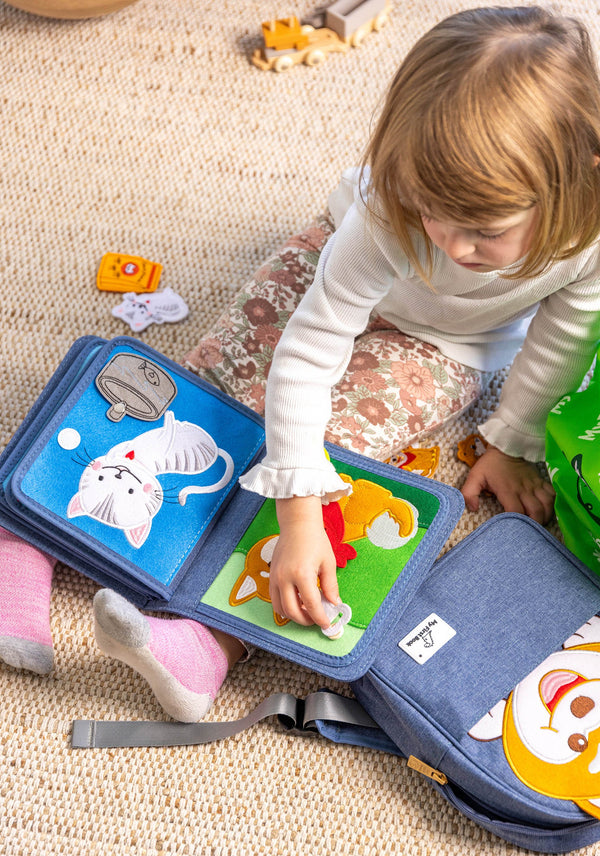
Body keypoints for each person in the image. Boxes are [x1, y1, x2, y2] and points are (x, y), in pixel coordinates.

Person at [2, 6, 600, 721]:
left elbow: (564, 336)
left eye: (481, 231)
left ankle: (206, 644)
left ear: (577, 181)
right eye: (431, 209)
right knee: (208, 386)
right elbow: (311, 347)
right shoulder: (391, 210)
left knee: (343, 454)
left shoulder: (586, 234)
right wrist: (294, 508)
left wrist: (512, 441)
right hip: (337, 271)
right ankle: (29, 530)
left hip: (450, 344)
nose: (446, 241)